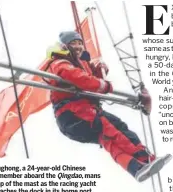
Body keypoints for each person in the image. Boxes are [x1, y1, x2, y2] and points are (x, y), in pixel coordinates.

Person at [44, 31, 172, 182]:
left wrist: (98, 70)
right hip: (75, 112)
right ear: (65, 46)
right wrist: (104, 85)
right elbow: (79, 78)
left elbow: (88, 79)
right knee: (114, 129)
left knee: (110, 138)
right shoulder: (60, 63)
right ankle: (145, 158)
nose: (78, 46)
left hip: (77, 117)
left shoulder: (79, 64)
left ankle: (137, 168)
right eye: (74, 43)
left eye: (80, 43)